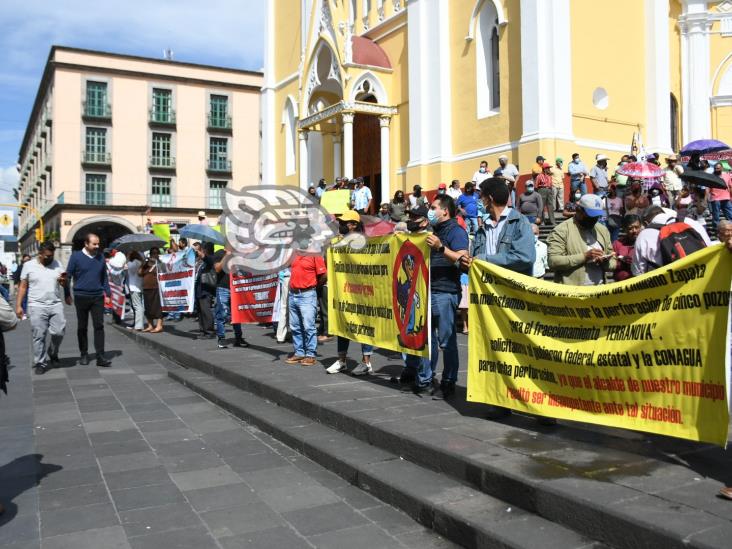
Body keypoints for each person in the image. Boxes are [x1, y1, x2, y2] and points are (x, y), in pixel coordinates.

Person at [462, 178, 536, 420]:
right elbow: (478, 259)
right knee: (498, 352)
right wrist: (469, 262)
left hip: (515, 297)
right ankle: (501, 400)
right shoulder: (483, 226)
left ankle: (539, 407)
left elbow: (525, 256)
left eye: (482, 196)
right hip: (491, 300)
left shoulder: (519, 221)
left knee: (524, 353)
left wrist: (485, 260)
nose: (479, 200)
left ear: (490, 198)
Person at [411, 195, 468, 400]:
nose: (430, 210)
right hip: (427, 291)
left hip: (445, 292)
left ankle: (449, 381)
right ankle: (425, 379)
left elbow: (464, 261)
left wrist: (441, 248)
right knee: (427, 340)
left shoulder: (456, 231)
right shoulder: (433, 231)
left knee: (447, 341)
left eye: (434, 207)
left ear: (445, 211)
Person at [326, 211, 375, 376]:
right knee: (343, 324)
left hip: (363, 292)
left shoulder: (366, 242)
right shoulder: (340, 241)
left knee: (364, 327)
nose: (341, 225)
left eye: (345, 222)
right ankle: (342, 361)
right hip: (345, 290)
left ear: (354, 224)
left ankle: (366, 363)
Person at [15, 242, 70, 375]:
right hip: (36, 305)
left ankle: (53, 351)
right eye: (47, 256)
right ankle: (40, 361)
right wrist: (18, 305)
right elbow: (23, 286)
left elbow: (64, 281)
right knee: (39, 335)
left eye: (51, 256)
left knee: (59, 332)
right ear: (40, 254)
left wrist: (65, 286)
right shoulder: (28, 266)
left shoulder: (57, 264)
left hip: (55, 303)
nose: (49, 258)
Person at [547, 194, 616, 286]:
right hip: (572, 292)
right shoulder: (561, 230)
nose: (594, 220)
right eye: (590, 216)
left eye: (596, 217)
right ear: (578, 211)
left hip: (600, 290)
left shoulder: (602, 230)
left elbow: (613, 261)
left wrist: (605, 262)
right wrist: (584, 256)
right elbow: (553, 261)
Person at [66, 233, 112, 367]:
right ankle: (84, 354)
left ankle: (100, 356)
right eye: (94, 244)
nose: (97, 246)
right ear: (86, 244)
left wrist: (108, 293)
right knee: (82, 327)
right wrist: (67, 294)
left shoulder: (100, 257)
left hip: (98, 296)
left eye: (98, 244)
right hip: (81, 296)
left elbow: (104, 277)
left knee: (99, 326)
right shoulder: (76, 257)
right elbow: (67, 276)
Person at [631, 206, 711, 276]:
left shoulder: (644, 235)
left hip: (671, 283)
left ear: (646, 223)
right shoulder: (691, 222)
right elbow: (709, 247)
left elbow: (638, 272)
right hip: (701, 273)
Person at [285, 252, 327, 366]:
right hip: (293, 294)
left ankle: (310, 355)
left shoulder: (315, 255)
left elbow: (324, 275)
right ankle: (299, 353)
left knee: (309, 326)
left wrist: (314, 287)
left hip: (307, 294)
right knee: (295, 326)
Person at [212, 250, 248, 349]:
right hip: (223, 288)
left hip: (236, 288)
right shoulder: (219, 253)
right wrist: (227, 256)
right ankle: (221, 338)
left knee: (237, 314)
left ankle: (238, 338)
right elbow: (217, 269)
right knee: (222, 314)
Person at [139, 247, 163, 333]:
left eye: (156, 252)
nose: (154, 254)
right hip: (146, 287)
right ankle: (150, 325)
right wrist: (143, 264)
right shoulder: (146, 264)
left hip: (156, 287)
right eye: (152, 253)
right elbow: (139, 274)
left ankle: (159, 325)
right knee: (148, 308)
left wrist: (155, 263)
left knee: (157, 307)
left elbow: (163, 272)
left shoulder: (160, 263)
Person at [195, 242, 216, 339]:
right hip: (199, 289)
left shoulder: (211, 258)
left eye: (202, 249)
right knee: (200, 311)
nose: (200, 251)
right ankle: (202, 330)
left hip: (206, 290)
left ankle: (209, 332)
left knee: (206, 311)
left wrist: (203, 255)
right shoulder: (200, 261)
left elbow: (208, 260)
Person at [611, 214, 641, 282]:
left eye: (637, 227)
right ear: (625, 229)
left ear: (640, 226)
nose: (634, 231)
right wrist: (622, 263)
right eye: (630, 228)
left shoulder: (644, 243)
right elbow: (611, 262)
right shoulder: (617, 244)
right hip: (622, 286)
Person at [709, 162, 732, 231]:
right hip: (715, 199)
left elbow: (730, 187)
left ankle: (730, 230)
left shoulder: (727, 175)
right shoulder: (711, 176)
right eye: (715, 168)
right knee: (716, 217)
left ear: (721, 168)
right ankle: (717, 231)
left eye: (718, 168)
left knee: (730, 215)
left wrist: (731, 197)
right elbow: (708, 188)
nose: (716, 170)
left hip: (726, 198)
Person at [126, 251, 145, 331]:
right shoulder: (141, 262)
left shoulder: (132, 263)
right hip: (140, 285)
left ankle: (138, 325)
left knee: (137, 306)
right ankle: (139, 324)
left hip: (134, 286)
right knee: (140, 305)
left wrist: (127, 258)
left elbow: (127, 267)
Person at [13, 254, 31, 318]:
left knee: (29, 300)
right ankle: (23, 313)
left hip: (30, 286)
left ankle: (25, 312)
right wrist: (15, 284)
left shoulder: (32, 267)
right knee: (23, 299)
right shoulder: (20, 267)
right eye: (25, 260)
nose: (27, 261)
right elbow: (16, 275)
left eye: (28, 260)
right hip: (22, 286)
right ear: (23, 260)